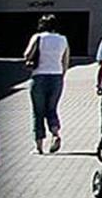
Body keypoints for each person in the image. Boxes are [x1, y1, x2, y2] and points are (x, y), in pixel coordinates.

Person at [22, 13, 69, 153]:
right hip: (57, 76)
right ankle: (55, 134)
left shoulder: (37, 37)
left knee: (38, 112)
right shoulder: (63, 39)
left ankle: (39, 146)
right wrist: (61, 75)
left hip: (39, 76)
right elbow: (65, 61)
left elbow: (27, 54)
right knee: (52, 108)